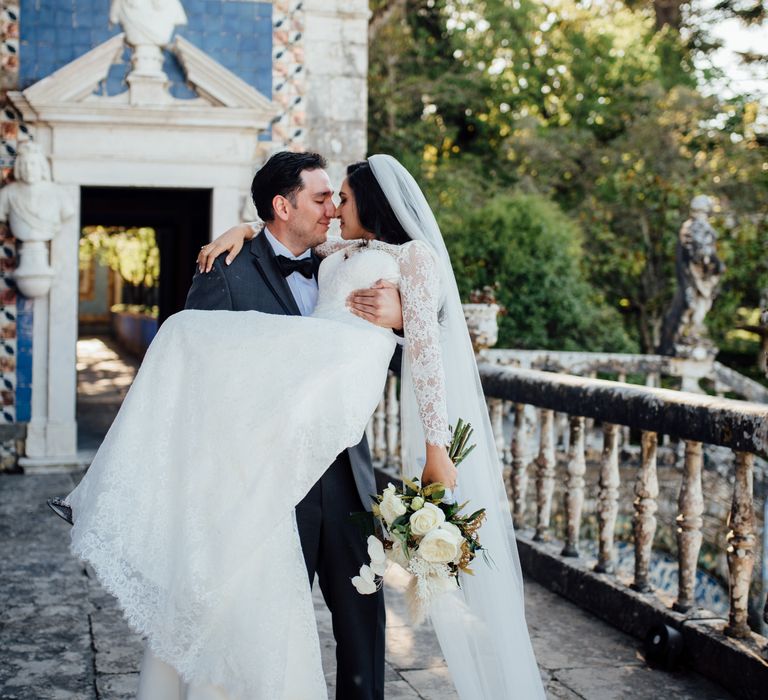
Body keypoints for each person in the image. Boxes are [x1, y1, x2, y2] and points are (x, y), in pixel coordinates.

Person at [59, 153, 544, 699]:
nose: (333, 210)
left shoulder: (336, 259)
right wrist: (244, 230)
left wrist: (407, 315)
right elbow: (202, 377)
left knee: (363, 621)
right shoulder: (226, 268)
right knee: (258, 610)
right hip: (265, 478)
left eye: (338, 198)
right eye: (321, 198)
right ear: (282, 206)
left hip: (347, 474)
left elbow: (433, 324)